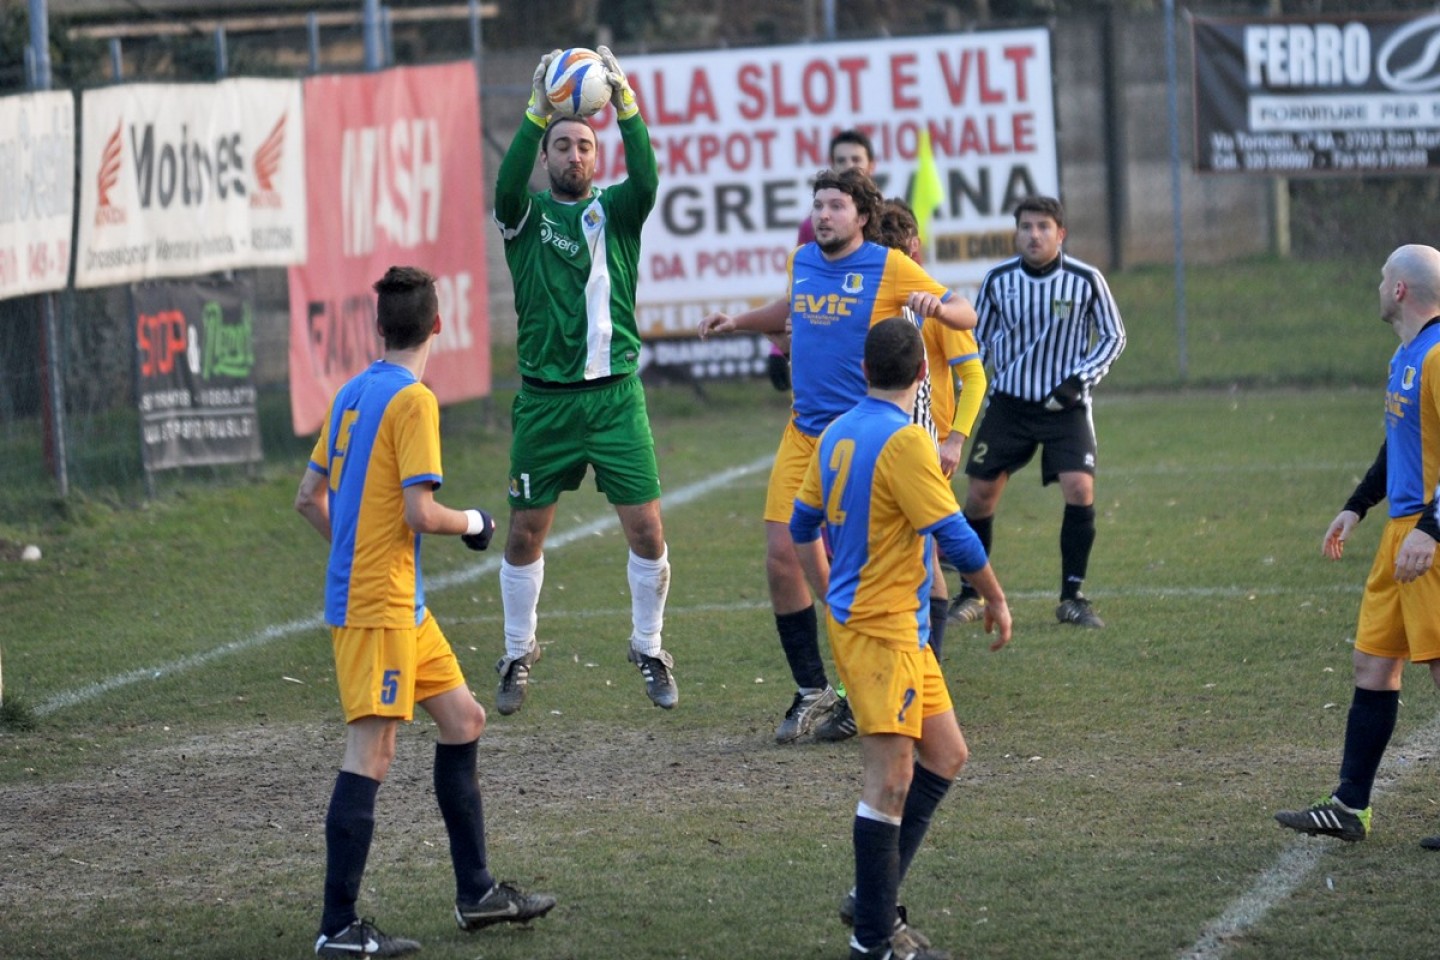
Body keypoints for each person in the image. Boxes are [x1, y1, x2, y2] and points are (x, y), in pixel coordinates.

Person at [295, 266, 555, 958]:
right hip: (378, 606)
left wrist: (356, 550)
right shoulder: (413, 401)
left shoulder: (352, 391)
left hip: (400, 604)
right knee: (371, 752)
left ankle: (477, 894)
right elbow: (420, 511)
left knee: (463, 719)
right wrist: (473, 520)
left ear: (379, 326)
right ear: (438, 324)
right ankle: (337, 927)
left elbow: (307, 498)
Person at [698, 168, 977, 745]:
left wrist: (939, 307)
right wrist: (739, 321)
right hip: (805, 434)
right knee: (782, 554)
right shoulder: (803, 259)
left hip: (863, 439)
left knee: (890, 566)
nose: (823, 215)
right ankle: (810, 688)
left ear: (862, 217)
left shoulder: (890, 265)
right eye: (818, 205)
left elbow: (965, 313)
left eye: (835, 206)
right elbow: (792, 308)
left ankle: (898, 685)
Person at [790, 317, 1012, 960]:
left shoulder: (833, 433)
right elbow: (957, 538)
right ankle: (872, 942)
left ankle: (871, 901)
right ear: (922, 375)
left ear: (864, 371)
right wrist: (995, 598)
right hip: (878, 633)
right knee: (889, 780)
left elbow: (802, 525)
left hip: (900, 630)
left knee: (945, 755)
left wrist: (828, 585)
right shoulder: (908, 441)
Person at [491, 47, 677, 715]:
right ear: (547, 156)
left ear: (598, 159)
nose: (574, 155)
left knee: (647, 532)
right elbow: (504, 188)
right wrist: (537, 113)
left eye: (584, 147)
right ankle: (518, 652)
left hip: (615, 398)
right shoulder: (526, 218)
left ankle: (650, 647)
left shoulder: (620, 213)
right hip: (544, 404)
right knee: (522, 536)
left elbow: (650, 177)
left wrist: (626, 106)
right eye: (563, 146)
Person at [1274, 244, 1440, 847]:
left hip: (1429, 537)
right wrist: (1356, 505)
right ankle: (1349, 805)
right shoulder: (1405, 354)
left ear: (1399, 290)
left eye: (1381, 277)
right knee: (1374, 666)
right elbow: (1397, 444)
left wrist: (1431, 529)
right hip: (1401, 533)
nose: (1377, 285)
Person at [948, 196, 1126, 629]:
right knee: (979, 496)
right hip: (1008, 404)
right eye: (1026, 226)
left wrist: (1078, 380)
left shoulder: (1086, 279)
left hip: (1065, 408)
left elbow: (1113, 337)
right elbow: (979, 343)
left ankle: (1072, 597)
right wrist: (961, 391)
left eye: (1043, 226)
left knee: (1080, 488)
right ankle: (970, 595)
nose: (1034, 235)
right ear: (1017, 232)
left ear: (1060, 233)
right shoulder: (998, 281)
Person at [874, 198, 987, 663]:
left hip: (925, 443)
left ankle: (926, 660)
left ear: (913, 250)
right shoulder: (874, 298)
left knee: (918, 552)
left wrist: (955, 439)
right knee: (907, 551)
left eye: (895, 251)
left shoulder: (934, 303)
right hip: (881, 438)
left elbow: (974, 377)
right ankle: (913, 657)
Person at [768, 130, 880, 392]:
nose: (849, 166)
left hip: (881, 345)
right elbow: (799, 290)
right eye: (841, 160)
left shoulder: (892, 217)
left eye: (856, 159)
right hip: (833, 352)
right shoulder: (814, 226)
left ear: (871, 166)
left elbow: (917, 288)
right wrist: (777, 349)